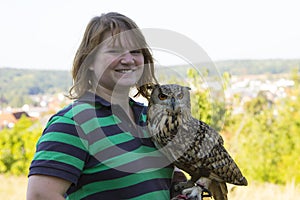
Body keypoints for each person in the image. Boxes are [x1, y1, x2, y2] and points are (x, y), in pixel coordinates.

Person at [27, 12, 186, 200]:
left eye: (135, 51)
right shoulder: (73, 123)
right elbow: (40, 195)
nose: (128, 60)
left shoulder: (151, 118)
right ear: (90, 61)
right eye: (115, 51)